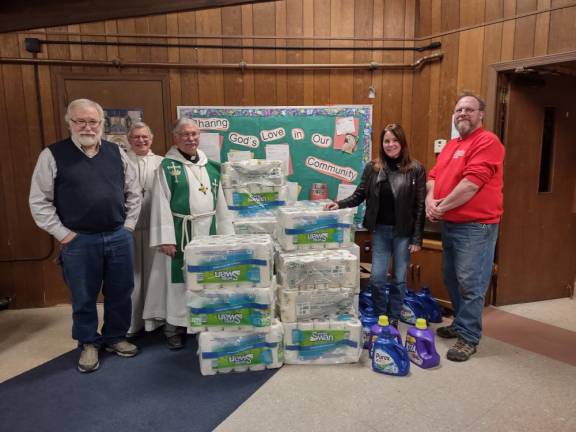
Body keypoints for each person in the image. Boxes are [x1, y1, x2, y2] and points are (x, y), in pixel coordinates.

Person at [29, 99, 142, 373]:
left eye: (93, 121)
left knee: (121, 292)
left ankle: (115, 336)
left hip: (118, 236)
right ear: (70, 123)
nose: (88, 127)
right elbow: (39, 202)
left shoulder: (117, 153)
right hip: (79, 241)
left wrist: (127, 227)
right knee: (83, 295)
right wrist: (64, 235)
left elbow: (134, 193)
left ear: (102, 124)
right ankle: (88, 342)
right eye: (81, 121)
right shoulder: (52, 155)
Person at [426, 93, 505, 362]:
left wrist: (440, 207)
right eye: (458, 109)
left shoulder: (487, 141)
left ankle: (469, 337)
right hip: (451, 223)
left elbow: (472, 184)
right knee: (451, 278)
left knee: (471, 283)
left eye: (469, 109)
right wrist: (430, 201)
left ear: (481, 114)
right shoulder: (451, 145)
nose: (462, 113)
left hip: (476, 227)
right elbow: (433, 177)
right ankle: (460, 323)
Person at [145, 118, 233, 349]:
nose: (190, 138)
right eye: (184, 134)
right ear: (175, 138)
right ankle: (173, 327)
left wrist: (227, 234)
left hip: (208, 233)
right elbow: (160, 203)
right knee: (178, 282)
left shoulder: (212, 167)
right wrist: (165, 238)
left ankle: (202, 322)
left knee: (206, 280)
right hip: (180, 233)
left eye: (194, 134)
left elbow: (220, 203)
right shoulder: (166, 167)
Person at [326, 123, 426, 327]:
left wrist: (417, 238)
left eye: (395, 140)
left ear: (402, 142)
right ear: (382, 144)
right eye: (386, 141)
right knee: (378, 278)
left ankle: (394, 316)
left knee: (399, 278)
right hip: (380, 230)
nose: (390, 145)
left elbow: (420, 206)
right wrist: (339, 204)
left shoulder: (415, 169)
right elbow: (359, 194)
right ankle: (382, 315)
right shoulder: (373, 168)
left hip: (403, 233)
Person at [126, 122, 164, 336]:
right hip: (129, 229)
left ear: (151, 138)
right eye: (136, 137)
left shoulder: (162, 162)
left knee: (154, 275)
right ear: (129, 140)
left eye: (144, 137)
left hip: (155, 228)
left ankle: (154, 321)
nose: (141, 140)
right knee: (133, 277)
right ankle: (131, 323)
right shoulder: (121, 161)